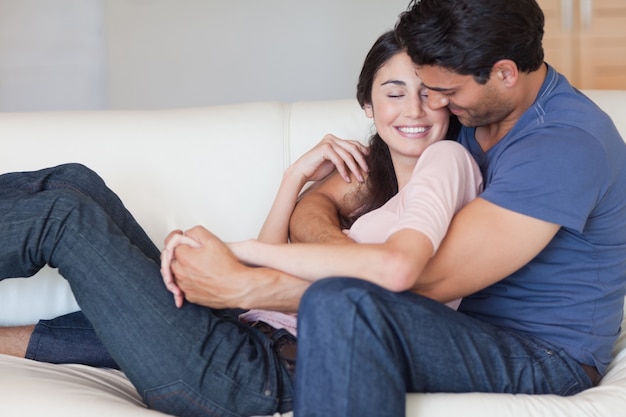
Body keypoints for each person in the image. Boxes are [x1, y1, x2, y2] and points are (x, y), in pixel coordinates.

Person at [0, 30, 482, 416]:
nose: (414, 110)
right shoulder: (382, 195)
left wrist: (240, 251)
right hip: (237, 334)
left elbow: (390, 273)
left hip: (254, 372)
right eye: (395, 93)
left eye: (429, 94)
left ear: (450, 102)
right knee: (75, 183)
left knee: (65, 216)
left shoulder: (445, 160)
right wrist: (294, 178)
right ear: (369, 109)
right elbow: (266, 280)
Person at [288, 1, 626, 416]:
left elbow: (426, 278)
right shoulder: (470, 116)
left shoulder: (565, 144)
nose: (436, 105)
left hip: (544, 355)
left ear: (504, 73)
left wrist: (262, 285)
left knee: (343, 307)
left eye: (446, 92)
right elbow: (318, 200)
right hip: (454, 327)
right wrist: (332, 244)